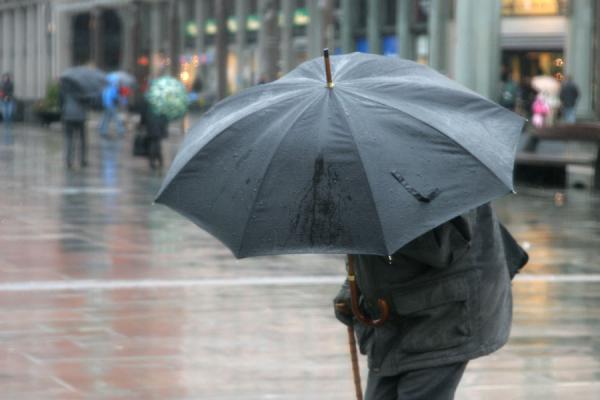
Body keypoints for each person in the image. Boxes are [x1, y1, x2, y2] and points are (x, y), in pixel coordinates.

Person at [333, 203, 528, 400]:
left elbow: (441, 246)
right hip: (394, 317)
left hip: (445, 316)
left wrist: (373, 217)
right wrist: (354, 288)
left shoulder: (439, 177)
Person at [60, 86, 88, 169]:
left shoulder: (65, 88)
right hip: (80, 116)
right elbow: (87, 101)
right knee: (82, 139)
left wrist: (63, 110)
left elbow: (61, 101)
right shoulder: (83, 89)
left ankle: (69, 160)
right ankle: (82, 160)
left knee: (69, 139)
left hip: (68, 116)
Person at [1, 73, 14, 144]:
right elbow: (1, 92)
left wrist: (7, 97)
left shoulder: (11, 84)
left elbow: (11, 92)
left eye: (6, 77)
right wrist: (3, 97)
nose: (5, 78)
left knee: (9, 113)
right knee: (4, 113)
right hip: (3, 100)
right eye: (4, 77)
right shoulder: (1, 84)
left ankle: (9, 125)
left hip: (9, 100)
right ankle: (6, 125)